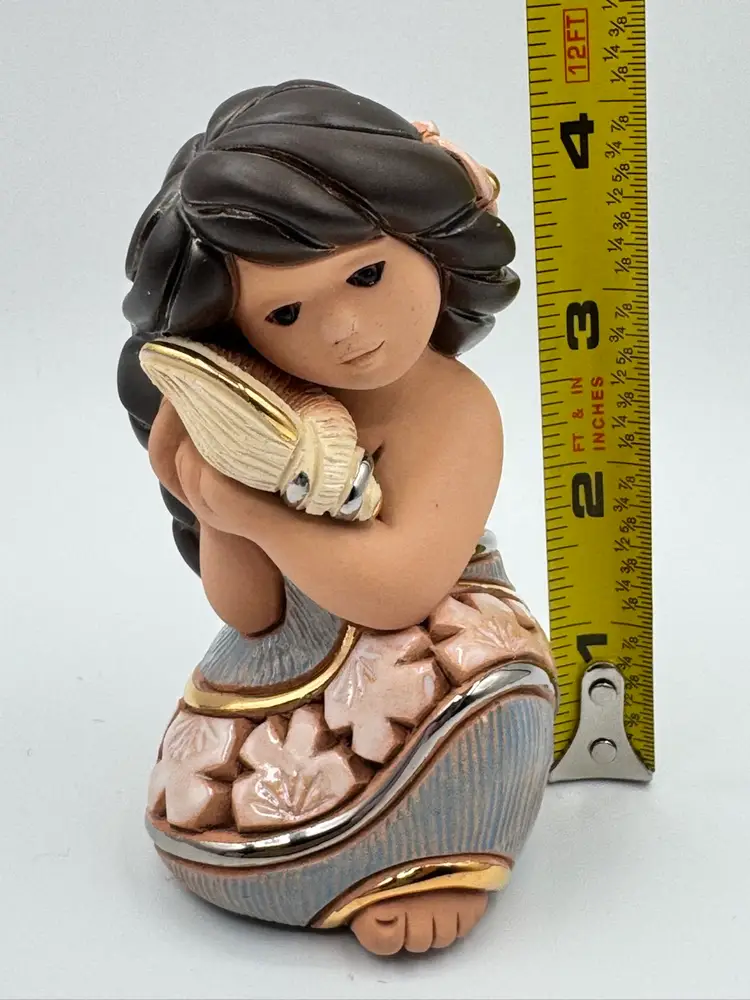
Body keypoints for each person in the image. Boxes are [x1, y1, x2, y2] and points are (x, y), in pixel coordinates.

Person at [118, 79, 556, 956]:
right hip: (301, 650)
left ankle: (441, 851)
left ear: (427, 240)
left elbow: (398, 589)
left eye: (366, 274)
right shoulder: (287, 412)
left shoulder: (450, 407)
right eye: (285, 313)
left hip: (424, 628)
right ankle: (303, 859)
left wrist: (267, 520)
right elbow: (250, 613)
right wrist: (214, 501)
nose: (348, 330)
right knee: (206, 791)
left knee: (486, 693)